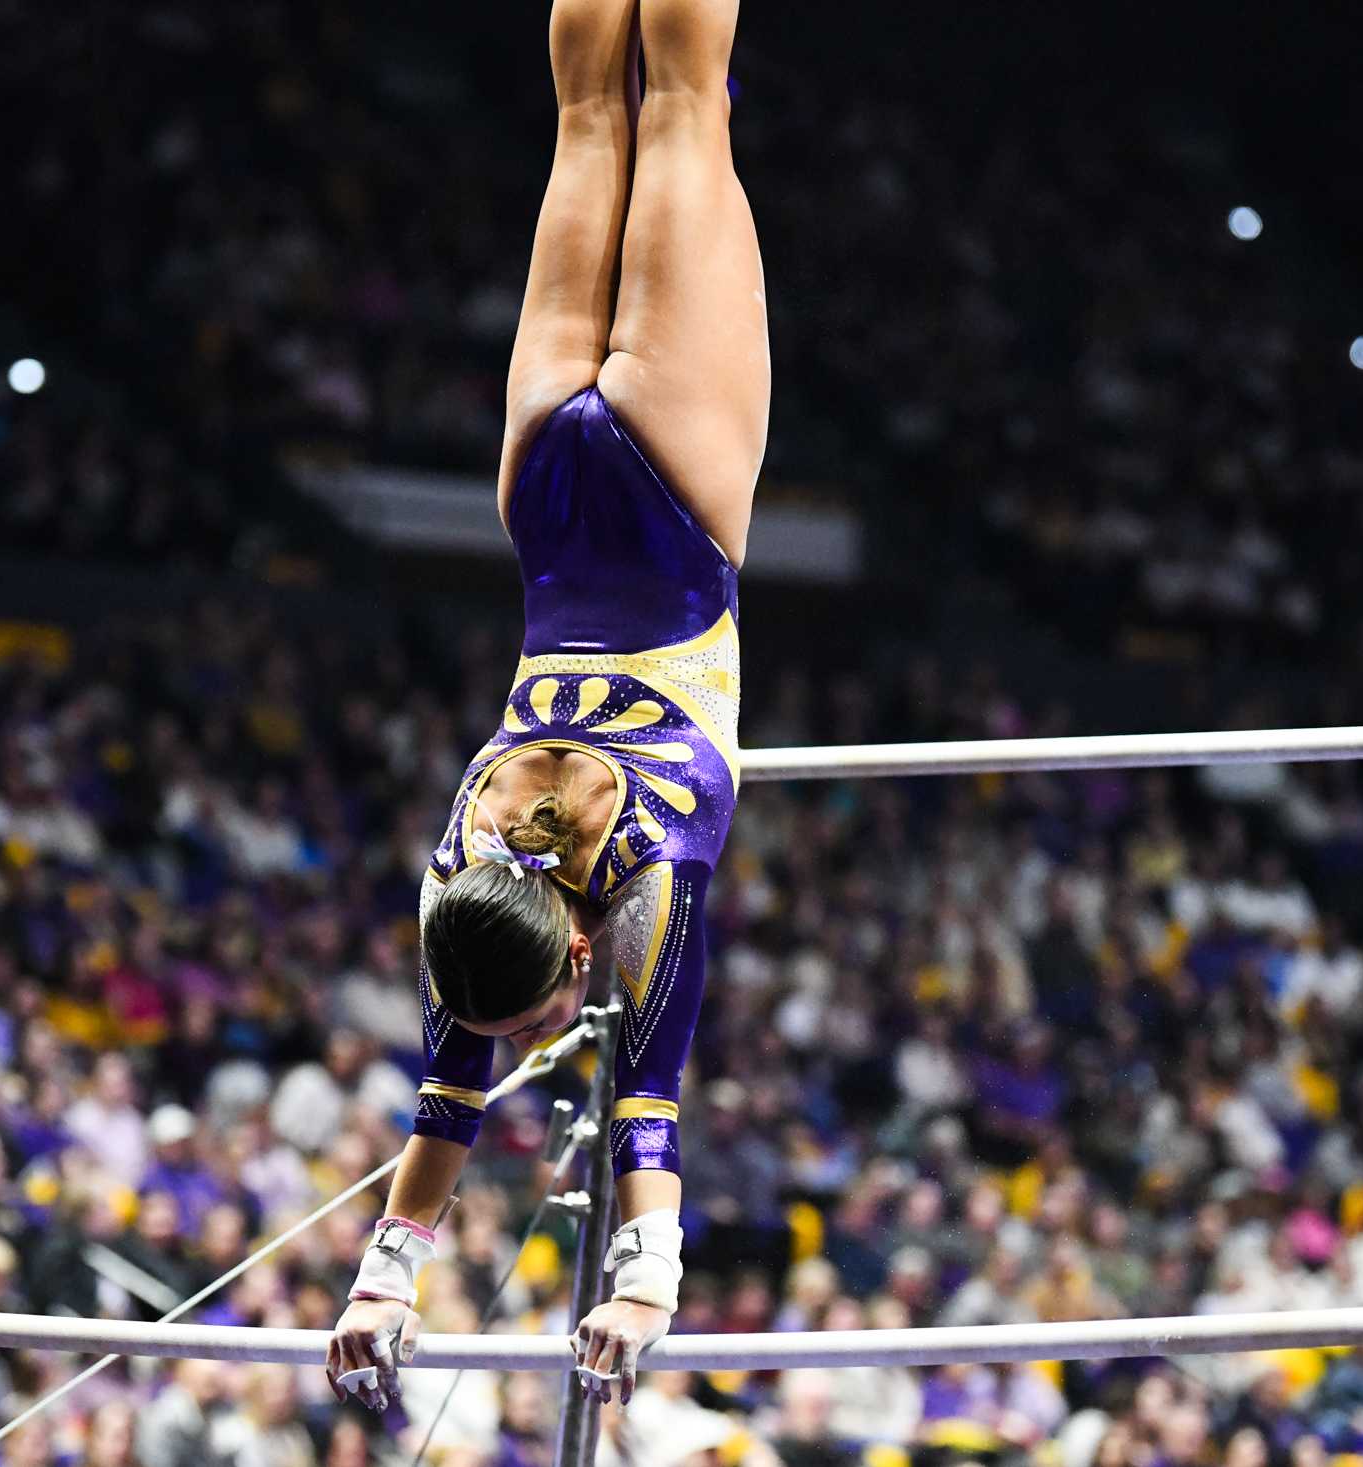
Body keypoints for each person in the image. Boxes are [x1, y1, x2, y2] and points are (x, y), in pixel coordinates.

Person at [326, 0, 767, 1411]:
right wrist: (382, 1272)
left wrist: (652, 1278)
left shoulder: (642, 875)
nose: (558, 1017)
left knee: (687, 100)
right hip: (548, 500)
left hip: (676, 504)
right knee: (589, 111)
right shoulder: (466, 877)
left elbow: (650, 1091)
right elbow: (452, 1076)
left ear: (576, 941)